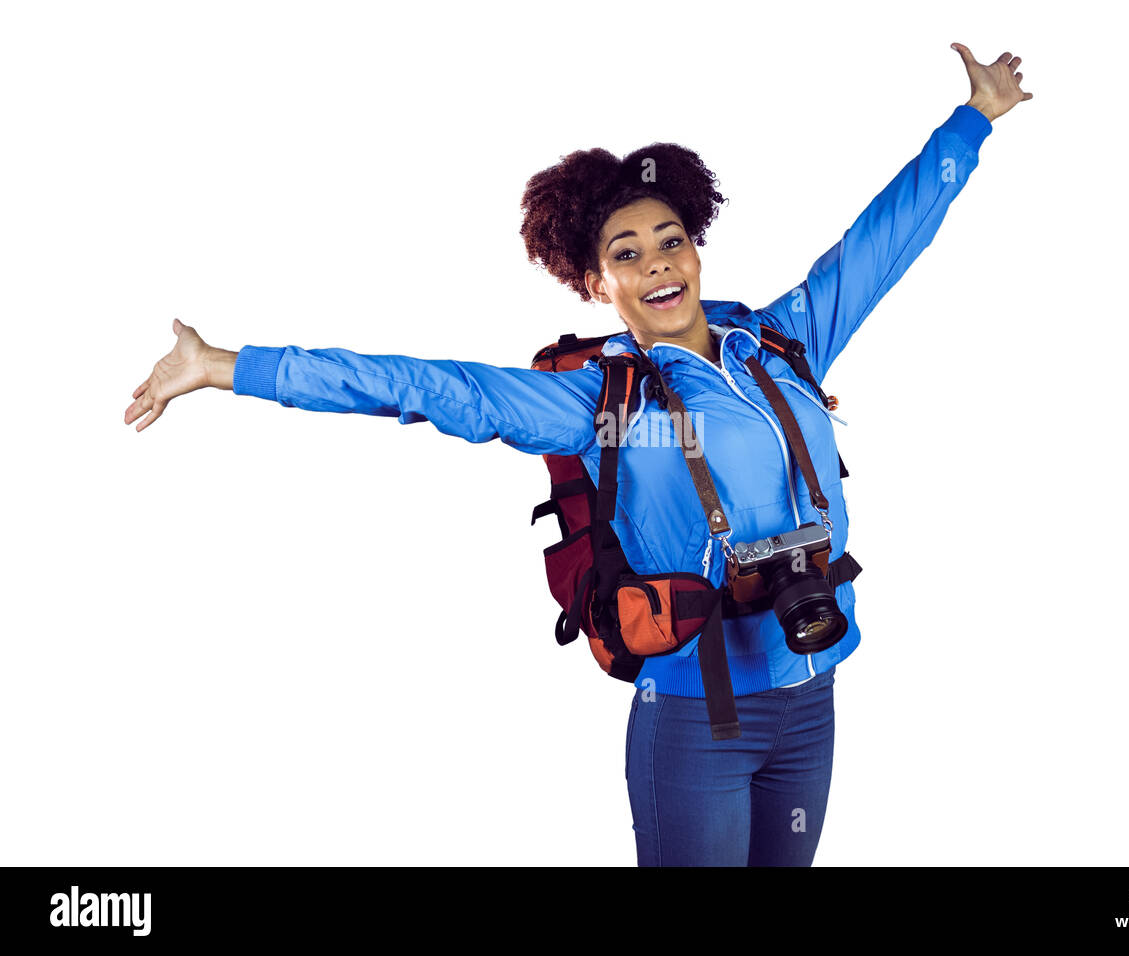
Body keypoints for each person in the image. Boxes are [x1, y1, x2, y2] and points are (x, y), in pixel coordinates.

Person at [125, 43, 1031, 866]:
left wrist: (973, 119)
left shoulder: (786, 343)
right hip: (697, 716)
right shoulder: (602, 403)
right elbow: (429, 388)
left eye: (671, 241)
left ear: (697, 249)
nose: (658, 264)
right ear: (599, 284)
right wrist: (224, 366)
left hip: (812, 693)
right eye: (628, 254)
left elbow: (887, 239)